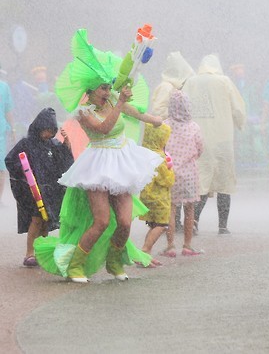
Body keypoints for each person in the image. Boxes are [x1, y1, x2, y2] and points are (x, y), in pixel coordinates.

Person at [33, 29, 164, 283]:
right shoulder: (83, 111)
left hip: (122, 161)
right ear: (91, 91)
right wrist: (117, 104)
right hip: (97, 165)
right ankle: (75, 266)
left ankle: (115, 262)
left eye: (107, 86)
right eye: (103, 88)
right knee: (102, 221)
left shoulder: (114, 99)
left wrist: (155, 120)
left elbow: (136, 113)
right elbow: (103, 128)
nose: (107, 91)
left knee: (125, 222)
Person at [183, 54, 246, 235]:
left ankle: (193, 220)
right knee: (224, 182)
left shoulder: (191, 82)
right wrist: (240, 123)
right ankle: (222, 226)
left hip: (198, 139)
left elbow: (182, 104)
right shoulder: (224, 82)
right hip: (222, 139)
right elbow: (238, 108)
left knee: (201, 181)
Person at [5, 108, 73, 266]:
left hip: (50, 191)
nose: (49, 134)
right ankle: (29, 253)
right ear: (39, 127)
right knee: (36, 220)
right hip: (33, 191)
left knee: (45, 222)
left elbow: (63, 163)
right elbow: (10, 160)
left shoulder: (53, 145)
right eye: (46, 130)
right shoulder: (26, 144)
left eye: (52, 131)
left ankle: (41, 252)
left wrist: (66, 145)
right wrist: (23, 172)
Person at [151, 51, 195, 232]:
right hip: (164, 136)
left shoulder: (170, 87)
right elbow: (158, 110)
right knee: (167, 179)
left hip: (169, 135)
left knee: (170, 179)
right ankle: (164, 222)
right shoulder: (167, 87)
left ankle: (169, 221)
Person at [162, 90, 204, 257]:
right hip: (189, 175)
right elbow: (200, 149)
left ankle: (170, 246)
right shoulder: (194, 127)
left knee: (171, 209)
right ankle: (187, 245)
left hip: (169, 172)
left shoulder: (164, 125)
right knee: (189, 209)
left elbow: (160, 148)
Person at [138, 123, 175, 266]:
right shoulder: (160, 157)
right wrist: (171, 169)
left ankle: (146, 255)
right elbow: (168, 180)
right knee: (161, 225)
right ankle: (145, 251)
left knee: (153, 225)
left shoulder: (144, 154)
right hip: (159, 198)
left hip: (147, 196)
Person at [0, 65, 16, 205]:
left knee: (0, 167)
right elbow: (8, 110)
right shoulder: (4, 87)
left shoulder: (4, 87)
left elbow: (8, 109)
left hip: (1, 132)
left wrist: (12, 128)